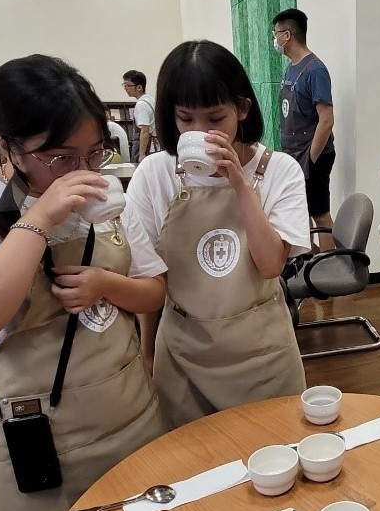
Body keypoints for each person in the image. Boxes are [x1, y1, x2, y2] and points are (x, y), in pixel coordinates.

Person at [0, 54, 167, 511]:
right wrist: (40, 217)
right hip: (40, 431)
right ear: (5, 147)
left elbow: (153, 293)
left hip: (126, 412)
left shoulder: (109, 196)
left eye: (94, 153)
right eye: (59, 157)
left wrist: (107, 285)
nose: (82, 172)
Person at [127, 40, 309, 429]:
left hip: (263, 356)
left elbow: (272, 264)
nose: (200, 132)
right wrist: (147, 355)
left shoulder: (280, 170)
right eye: (185, 120)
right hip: (182, 356)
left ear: (242, 110)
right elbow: (148, 278)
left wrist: (242, 186)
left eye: (215, 119)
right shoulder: (155, 173)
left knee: (276, 460)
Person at [273, 8, 336, 250]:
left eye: (276, 34)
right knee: (302, 212)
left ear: (287, 35)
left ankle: (331, 265)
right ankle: (307, 262)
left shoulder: (315, 70)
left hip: (312, 155)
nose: (275, 39)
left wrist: (310, 159)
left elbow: (327, 120)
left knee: (320, 212)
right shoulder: (291, 67)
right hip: (293, 154)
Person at [122, 69, 157, 163]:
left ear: (139, 87)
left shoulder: (142, 104)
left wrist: (141, 154)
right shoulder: (150, 99)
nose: (125, 88)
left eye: (128, 85)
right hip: (154, 148)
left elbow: (145, 131)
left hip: (146, 149)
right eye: (124, 85)